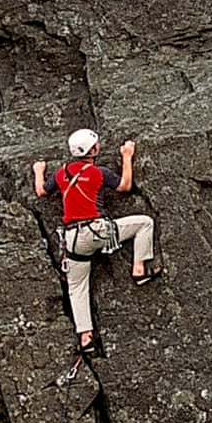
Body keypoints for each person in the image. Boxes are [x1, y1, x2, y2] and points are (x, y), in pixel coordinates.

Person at [33, 127, 163, 355]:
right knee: (144, 223)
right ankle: (139, 268)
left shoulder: (62, 173)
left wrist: (38, 171)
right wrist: (127, 156)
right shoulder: (98, 173)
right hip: (98, 231)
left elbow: (41, 191)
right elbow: (125, 186)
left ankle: (85, 336)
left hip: (73, 239)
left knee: (76, 287)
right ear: (92, 150)